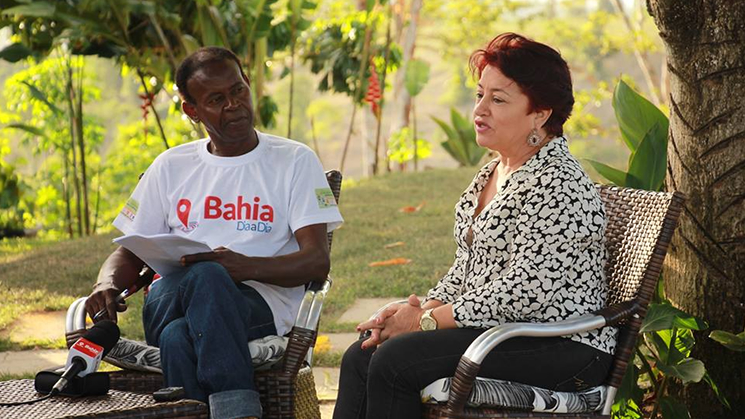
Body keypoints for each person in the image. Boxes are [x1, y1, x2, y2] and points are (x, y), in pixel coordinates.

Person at [333, 33, 618, 419]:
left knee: (396, 361)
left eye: (498, 99)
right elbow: (469, 269)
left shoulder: (559, 184)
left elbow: (525, 292)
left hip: (564, 346)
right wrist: (411, 311)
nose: (479, 110)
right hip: (506, 330)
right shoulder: (495, 171)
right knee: (363, 353)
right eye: (480, 94)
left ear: (540, 114)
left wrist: (425, 322)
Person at [85, 47, 343, 419]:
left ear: (249, 85)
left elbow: (316, 262)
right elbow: (128, 251)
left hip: (259, 305)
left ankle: (195, 410)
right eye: (217, 99)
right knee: (206, 276)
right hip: (170, 298)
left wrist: (241, 267)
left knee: (178, 336)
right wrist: (104, 284)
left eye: (238, 90)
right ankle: (238, 411)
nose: (234, 105)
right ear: (192, 111)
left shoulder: (294, 161)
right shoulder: (171, 166)